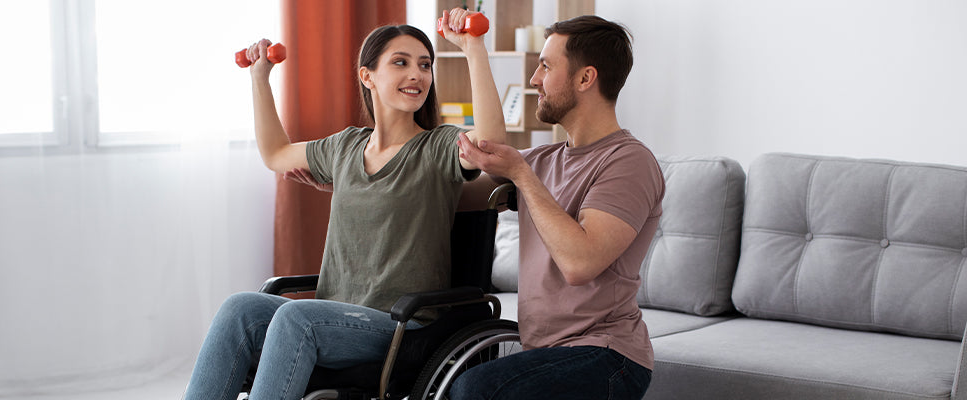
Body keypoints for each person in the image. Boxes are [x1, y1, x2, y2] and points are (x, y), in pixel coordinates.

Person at [183, 9, 506, 400]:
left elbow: (488, 144)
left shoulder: (436, 147)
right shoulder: (345, 146)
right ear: (366, 75)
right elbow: (276, 154)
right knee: (239, 309)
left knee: (294, 316)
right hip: (333, 317)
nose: (417, 75)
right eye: (400, 63)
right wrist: (260, 77)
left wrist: (473, 48)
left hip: (399, 326)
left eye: (425, 65)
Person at [449, 15, 664, 399]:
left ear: (586, 79)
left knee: (475, 389)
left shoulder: (629, 162)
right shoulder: (543, 159)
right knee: (461, 378)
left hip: (608, 357)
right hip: (547, 354)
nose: (534, 80)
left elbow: (580, 263)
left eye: (546, 66)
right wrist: (474, 49)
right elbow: (474, 169)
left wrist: (521, 174)